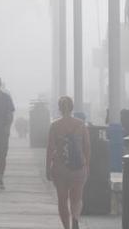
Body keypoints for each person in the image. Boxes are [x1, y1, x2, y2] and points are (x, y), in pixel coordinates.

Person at [46, 96, 90, 229]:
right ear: (72, 107)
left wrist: (47, 168)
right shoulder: (81, 125)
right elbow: (87, 147)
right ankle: (75, 217)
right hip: (78, 168)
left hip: (60, 168)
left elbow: (50, 148)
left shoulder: (54, 125)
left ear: (59, 108)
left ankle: (66, 227)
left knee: (62, 200)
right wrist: (86, 166)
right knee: (77, 198)